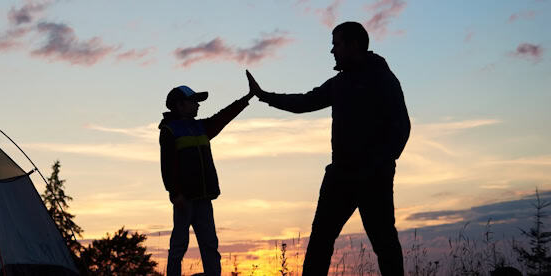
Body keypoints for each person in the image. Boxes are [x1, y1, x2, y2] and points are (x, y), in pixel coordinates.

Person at [246, 21, 410, 275]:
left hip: (373, 177)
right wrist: (265, 95)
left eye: (336, 44)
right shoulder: (339, 83)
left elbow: (401, 127)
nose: (332, 51)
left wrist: (379, 164)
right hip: (340, 175)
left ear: (353, 44)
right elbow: (304, 102)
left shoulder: (382, 78)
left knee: (384, 242)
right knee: (320, 240)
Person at [159, 85, 253, 276]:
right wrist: (175, 194)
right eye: (194, 101)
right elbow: (167, 166)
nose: (198, 105)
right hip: (184, 199)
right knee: (179, 246)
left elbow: (223, 117)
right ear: (180, 105)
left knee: (210, 245)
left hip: (204, 198)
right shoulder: (169, 130)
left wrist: (246, 99)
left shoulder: (201, 126)